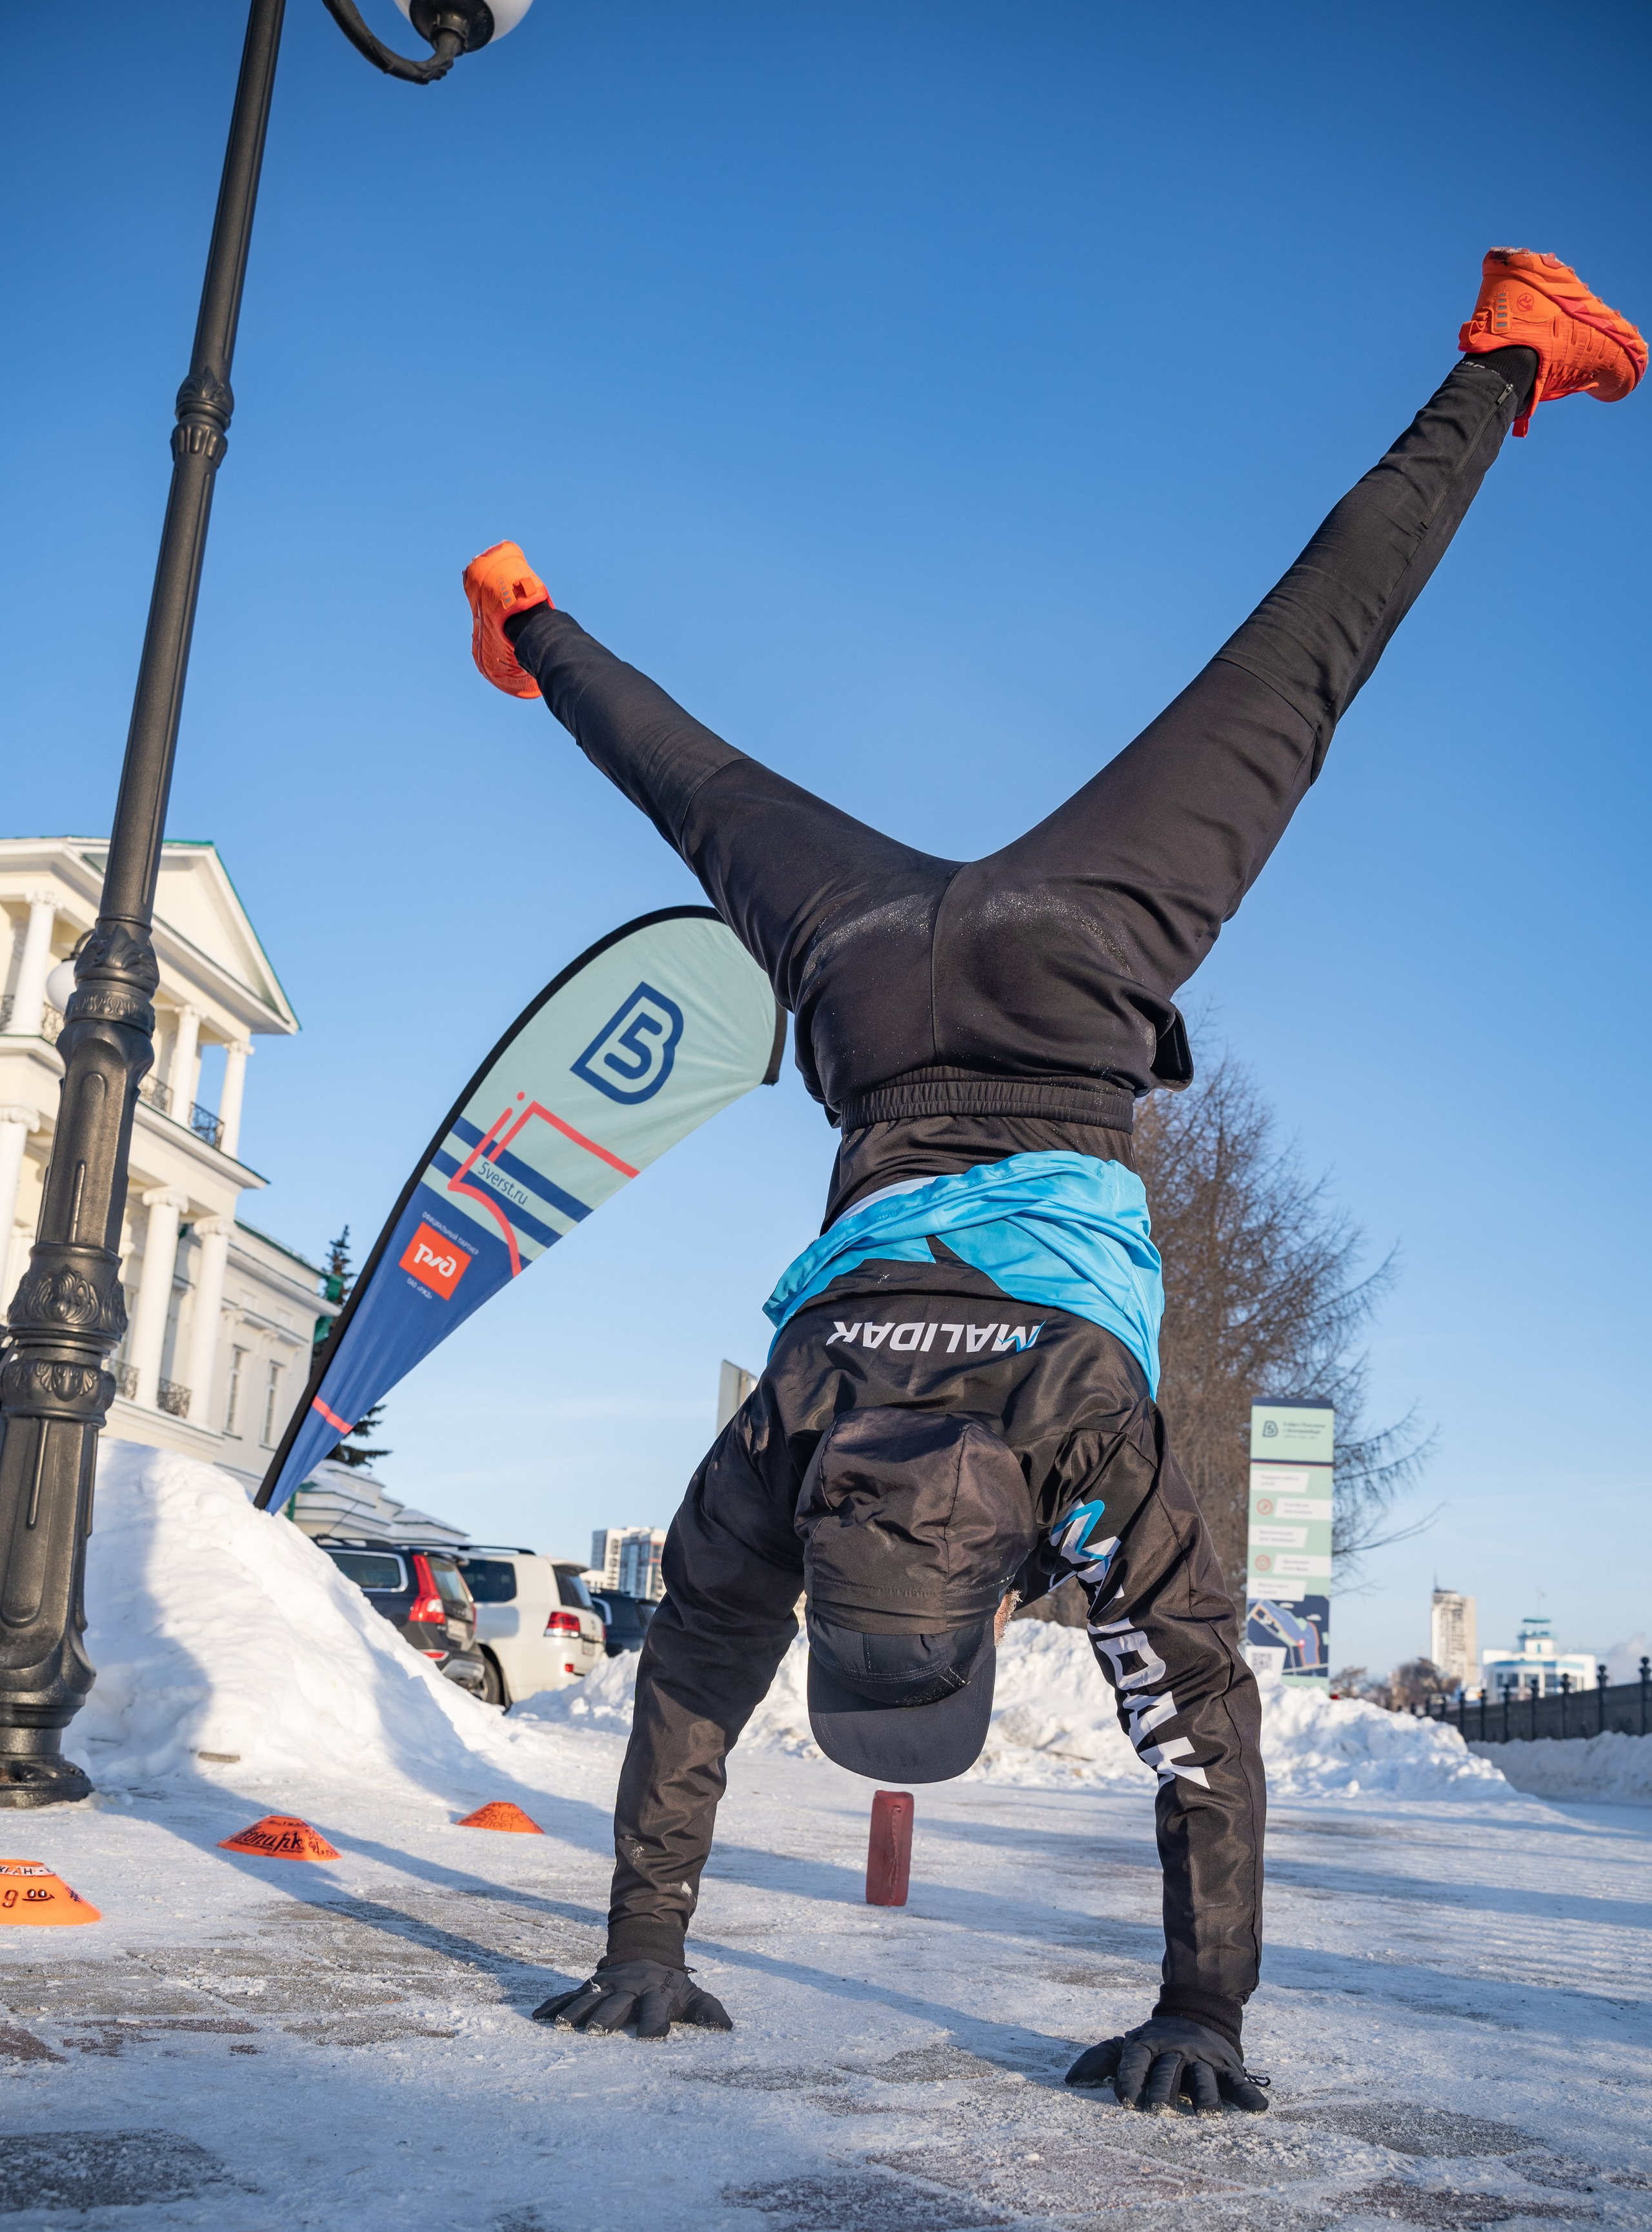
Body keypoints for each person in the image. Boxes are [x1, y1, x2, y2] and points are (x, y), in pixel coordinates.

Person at [463, 251, 1643, 2101]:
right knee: (702, 792)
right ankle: (531, 624)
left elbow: (1201, 1728)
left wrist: (1203, 2014)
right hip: (866, 973)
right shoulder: (792, 1415)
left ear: (1006, 1592)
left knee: (1300, 665)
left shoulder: (1084, 1425)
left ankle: (1509, 353)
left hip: (1084, 973)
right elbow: (692, 1676)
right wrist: (638, 1943)